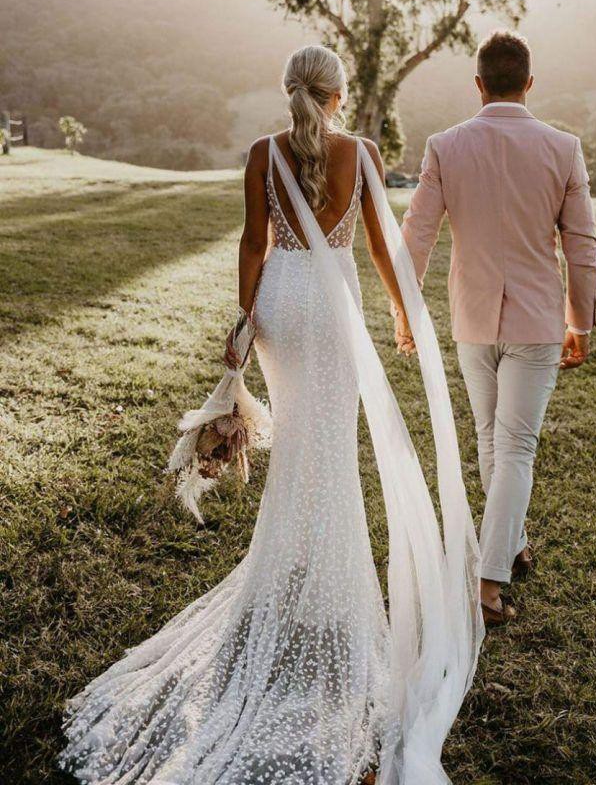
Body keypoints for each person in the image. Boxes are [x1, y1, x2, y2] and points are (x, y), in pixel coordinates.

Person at [59, 45, 482, 785]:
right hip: (336, 306)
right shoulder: (363, 153)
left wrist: (244, 319)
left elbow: (256, 242)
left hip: (285, 304)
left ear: (290, 91)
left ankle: (294, 569)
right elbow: (382, 244)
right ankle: (320, 579)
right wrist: (400, 312)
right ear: (340, 94)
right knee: (332, 446)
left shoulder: (262, 152)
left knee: (299, 443)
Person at [402, 30, 596, 626]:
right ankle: (489, 585)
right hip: (538, 320)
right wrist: (580, 321)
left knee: (493, 438)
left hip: (472, 317)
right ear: (530, 83)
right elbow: (583, 246)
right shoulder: (563, 147)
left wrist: (404, 312)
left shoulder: (445, 145)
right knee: (513, 445)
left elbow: (417, 235)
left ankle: (508, 545)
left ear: (479, 84)